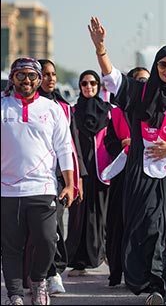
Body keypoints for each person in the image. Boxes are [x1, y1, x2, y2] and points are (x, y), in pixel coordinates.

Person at [88, 16, 166, 305]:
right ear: (156, 67)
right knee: (148, 227)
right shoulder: (140, 92)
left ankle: (160, 285)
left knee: (165, 230)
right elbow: (113, 78)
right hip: (142, 176)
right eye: (163, 64)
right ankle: (153, 283)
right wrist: (101, 49)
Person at [1, 57, 76, 306]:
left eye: (32, 76)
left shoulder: (51, 109)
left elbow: (65, 147)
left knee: (47, 241)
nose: (27, 81)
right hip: (7, 191)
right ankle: (15, 295)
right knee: (11, 247)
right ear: (12, 78)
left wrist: (69, 183)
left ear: (39, 79)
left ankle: (39, 280)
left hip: (42, 188)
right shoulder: (2, 107)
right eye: (20, 75)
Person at [21, 59, 88, 296]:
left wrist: (77, 180)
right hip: (30, 178)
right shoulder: (22, 106)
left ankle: (53, 273)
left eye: (53, 75)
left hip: (58, 179)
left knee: (54, 228)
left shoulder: (64, 107)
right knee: (31, 231)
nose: (50, 79)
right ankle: (32, 275)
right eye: (45, 75)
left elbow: (72, 146)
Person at [101, 66, 150, 287]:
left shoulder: (157, 111)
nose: (144, 86)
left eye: (147, 82)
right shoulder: (117, 113)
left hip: (148, 176)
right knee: (118, 224)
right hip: (123, 176)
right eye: (139, 81)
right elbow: (109, 142)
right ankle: (116, 271)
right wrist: (123, 143)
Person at [66, 69, 113, 278]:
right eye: (85, 83)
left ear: (98, 86)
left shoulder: (109, 111)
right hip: (80, 173)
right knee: (79, 216)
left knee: (103, 216)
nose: (89, 87)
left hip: (103, 171)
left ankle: (104, 255)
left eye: (93, 83)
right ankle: (79, 261)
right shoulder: (73, 112)